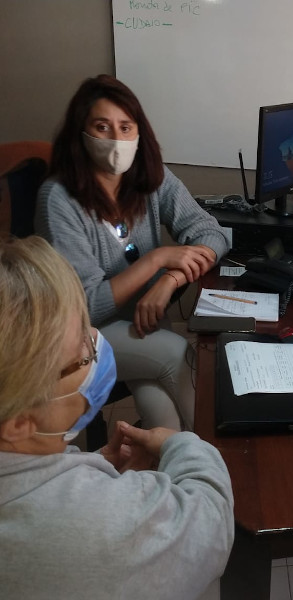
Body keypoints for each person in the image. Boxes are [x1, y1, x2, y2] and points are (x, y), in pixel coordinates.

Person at [0, 236, 234, 599]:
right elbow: (212, 522)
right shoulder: (99, 524)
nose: (97, 340)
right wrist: (181, 444)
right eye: (83, 351)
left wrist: (93, 466)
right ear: (18, 422)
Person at [35, 74, 231, 431]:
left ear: (139, 132)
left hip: (143, 321)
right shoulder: (59, 199)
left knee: (162, 409)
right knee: (176, 355)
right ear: (80, 133)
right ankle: (214, 452)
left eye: (125, 127)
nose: (116, 138)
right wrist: (157, 260)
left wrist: (170, 280)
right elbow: (85, 305)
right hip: (79, 335)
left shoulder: (150, 178)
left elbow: (212, 234)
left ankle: (174, 461)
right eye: (102, 127)